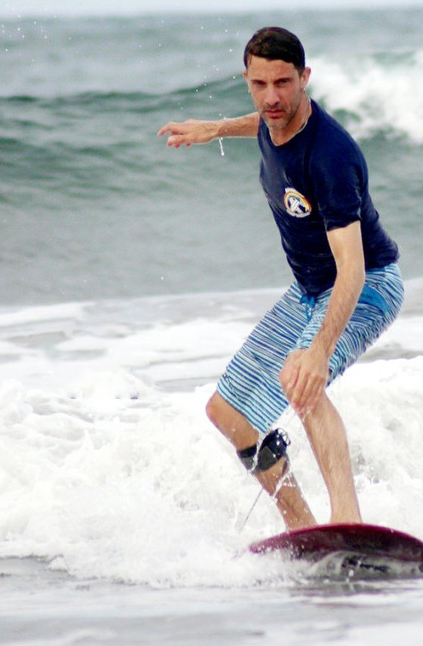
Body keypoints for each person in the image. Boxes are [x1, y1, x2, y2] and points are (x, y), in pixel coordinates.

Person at [158, 27, 402, 531]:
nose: (271, 97)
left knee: (301, 380)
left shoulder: (331, 156)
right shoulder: (273, 119)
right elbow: (266, 124)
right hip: (309, 290)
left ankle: (347, 521)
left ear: (305, 79)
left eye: (283, 83)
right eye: (259, 83)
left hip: (367, 285)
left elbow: (353, 269)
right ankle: (301, 527)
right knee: (226, 412)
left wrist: (318, 352)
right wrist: (216, 129)